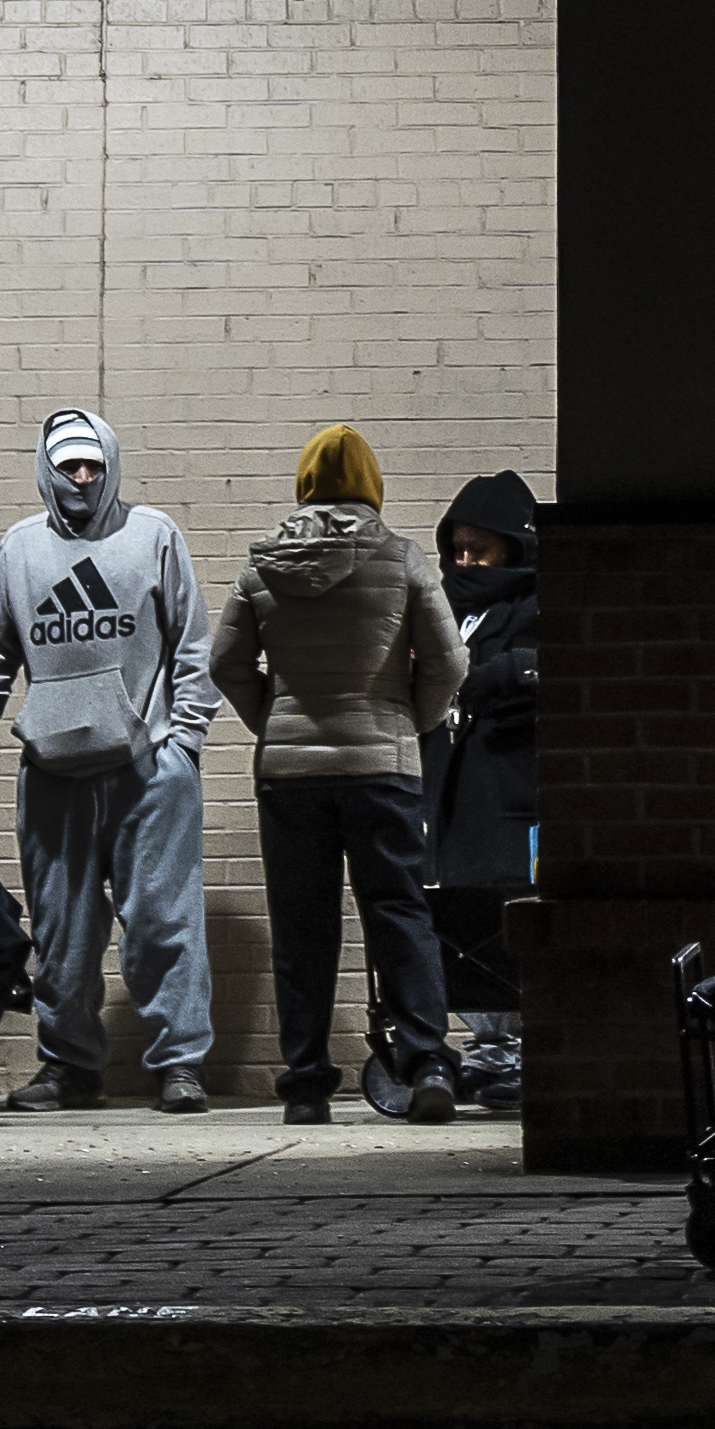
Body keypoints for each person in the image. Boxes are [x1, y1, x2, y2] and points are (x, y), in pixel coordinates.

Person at [0, 408, 218, 1117]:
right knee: (62, 934)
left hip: (148, 769)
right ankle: (69, 1068)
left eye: (92, 465)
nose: (80, 477)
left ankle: (179, 1065)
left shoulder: (153, 536)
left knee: (163, 924)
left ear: (110, 466)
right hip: (52, 772)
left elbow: (196, 651)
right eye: (68, 465)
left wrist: (182, 743)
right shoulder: (18, 549)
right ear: (46, 467)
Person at [211, 423, 468, 1129]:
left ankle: (305, 1085)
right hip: (381, 764)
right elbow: (449, 662)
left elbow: (225, 664)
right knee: (400, 913)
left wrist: (276, 717)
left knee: (303, 927)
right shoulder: (402, 557)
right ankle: (428, 1063)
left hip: (290, 771)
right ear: (372, 485)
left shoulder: (264, 564)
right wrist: (406, 718)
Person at [422, 470, 542, 1115]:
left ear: (513, 550)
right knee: (462, 912)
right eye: (458, 550)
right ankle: (487, 1046)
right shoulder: (443, 611)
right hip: (453, 785)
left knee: (510, 911)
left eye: (481, 551)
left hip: (511, 785)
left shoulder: (536, 605)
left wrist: (488, 677)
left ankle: (521, 1046)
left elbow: (544, 674)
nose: (466, 563)